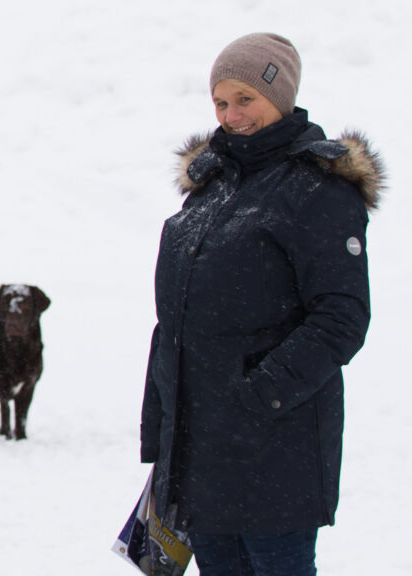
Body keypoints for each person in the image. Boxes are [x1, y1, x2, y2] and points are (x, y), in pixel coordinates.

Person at [140, 33, 383, 576]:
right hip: (200, 448)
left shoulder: (317, 189)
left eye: (245, 99)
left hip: (275, 449)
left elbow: (342, 317)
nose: (231, 115)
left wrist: (260, 396)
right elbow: (173, 322)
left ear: (283, 95)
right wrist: (162, 417)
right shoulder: (210, 186)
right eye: (221, 102)